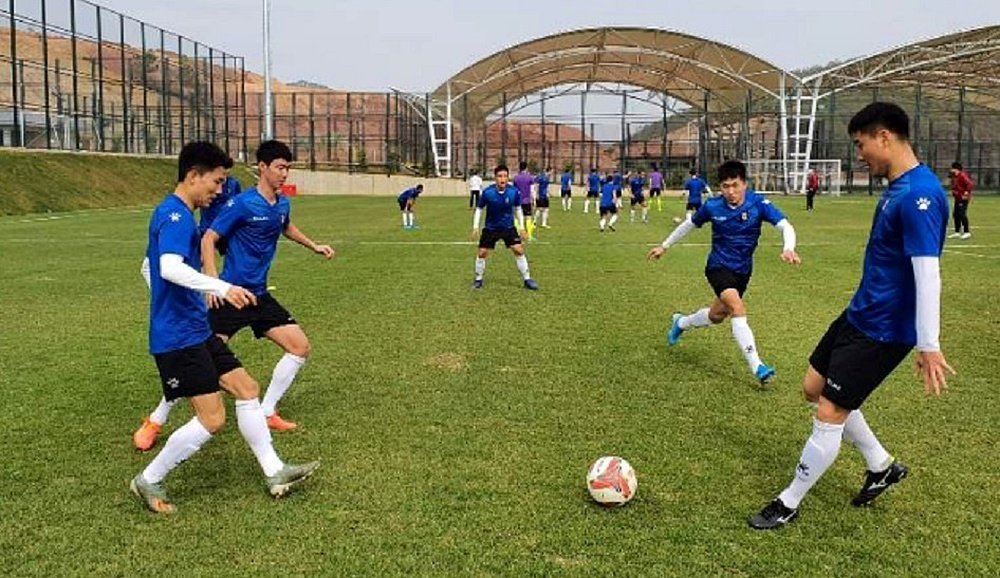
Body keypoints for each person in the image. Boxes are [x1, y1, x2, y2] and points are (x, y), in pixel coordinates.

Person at [748, 102, 953, 530]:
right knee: (813, 387)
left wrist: (928, 344)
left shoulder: (920, 195)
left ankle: (787, 502)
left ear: (885, 137)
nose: (859, 155)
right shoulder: (899, 187)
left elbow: (928, 274)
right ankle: (881, 466)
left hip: (883, 331)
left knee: (830, 412)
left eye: (861, 145)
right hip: (859, 315)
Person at [131, 141, 318, 514]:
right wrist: (221, 287)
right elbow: (167, 267)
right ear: (193, 176)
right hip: (177, 337)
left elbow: (150, 268)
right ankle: (149, 478)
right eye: (215, 182)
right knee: (213, 419)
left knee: (247, 389)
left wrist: (188, 295)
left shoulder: (181, 214)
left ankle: (275, 471)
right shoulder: (175, 216)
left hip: (195, 328)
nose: (218, 190)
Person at [647, 160, 800, 385]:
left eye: (735, 185)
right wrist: (664, 245)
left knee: (716, 316)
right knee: (737, 308)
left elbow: (785, 225)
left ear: (744, 184)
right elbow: (688, 225)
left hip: (743, 271)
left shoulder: (758, 203)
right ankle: (758, 366)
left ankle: (681, 323)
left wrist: (788, 248)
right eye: (725, 186)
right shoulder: (713, 206)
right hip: (718, 267)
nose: (730, 191)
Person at [471, 164, 539, 290]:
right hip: (491, 228)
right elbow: (479, 209)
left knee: (519, 250)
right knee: (482, 253)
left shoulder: (514, 192)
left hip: (508, 227)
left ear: (508, 178)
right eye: (499, 176)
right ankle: (478, 279)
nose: (502, 179)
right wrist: (475, 227)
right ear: (495, 178)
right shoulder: (487, 193)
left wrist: (522, 228)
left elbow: (518, 209)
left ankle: (527, 279)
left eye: (505, 176)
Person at [948, 161, 973, 239]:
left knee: (962, 214)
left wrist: (966, 193)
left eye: (952, 169)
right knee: (956, 214)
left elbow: (969, 184)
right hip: (957, 198)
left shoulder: (962, 175)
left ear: (956, 169)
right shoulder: (955, 176)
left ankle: (967, 232)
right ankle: (957, 232)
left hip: (963, 198)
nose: (951, 170)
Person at [513, 161, 536, 241]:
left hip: (518, 200)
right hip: (527, 201)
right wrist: (534, 200)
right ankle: (529, 235)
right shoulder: (530, 178)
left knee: (517, 217)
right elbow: (532, 190)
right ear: (526, 168)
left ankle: (518, 234)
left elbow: (514, 190)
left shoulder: (516, 178)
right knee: (528, 217)